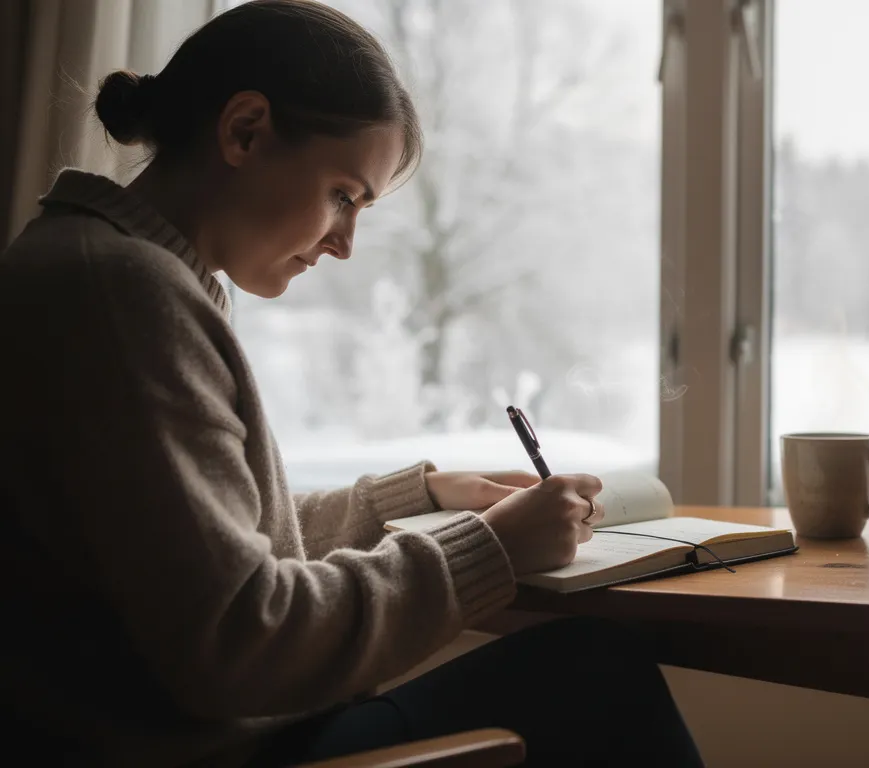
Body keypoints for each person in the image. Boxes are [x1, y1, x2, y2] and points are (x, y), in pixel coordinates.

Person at [0, 1, 702, 766]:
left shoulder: (96, 267)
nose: (344, 244)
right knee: (595, 673)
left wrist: (411, 501)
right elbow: (240, 640)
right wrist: (489, 549)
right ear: (244, 131)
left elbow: (206, 544)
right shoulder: (120, 292)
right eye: (343, 195)